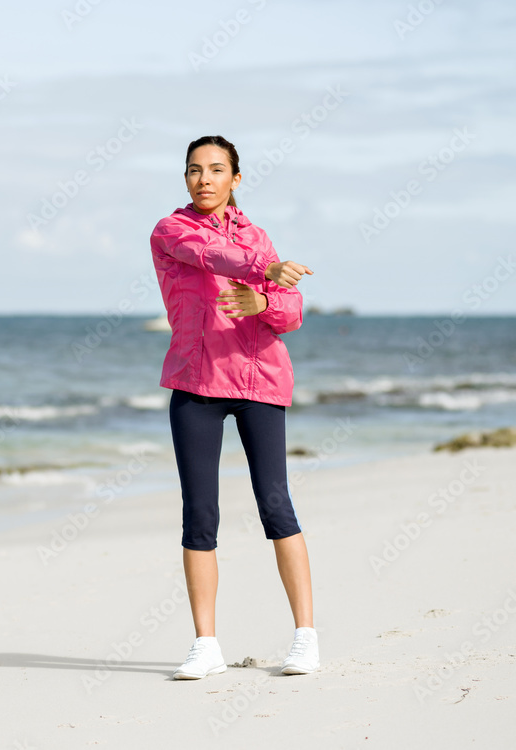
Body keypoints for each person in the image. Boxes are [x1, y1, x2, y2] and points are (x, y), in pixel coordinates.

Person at [148, 135, 319, 679]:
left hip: (260, 381)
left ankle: (305, 639)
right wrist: (263, 271)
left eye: (216, 170)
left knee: (277, 506)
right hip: (196, 383)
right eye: (194, 170)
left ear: (235, 179)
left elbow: (291, 314)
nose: (204, 179)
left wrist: (262, 299)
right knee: (200, 515)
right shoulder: (171, 231)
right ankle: (206, 645)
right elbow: (207, 254)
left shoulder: (257, 235)